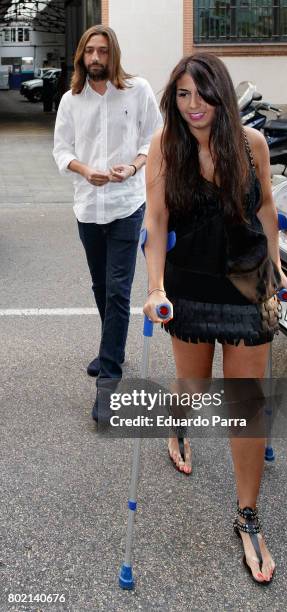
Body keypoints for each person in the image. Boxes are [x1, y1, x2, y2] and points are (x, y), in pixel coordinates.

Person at [143, 53, 287, 584]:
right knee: (194, 384)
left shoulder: (251, 147)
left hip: (250, 284)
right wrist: (156, 287)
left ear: (222, 95)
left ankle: (248, 515)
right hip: (190, 284)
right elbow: (156, 223)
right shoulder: (165, 147)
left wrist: (276, 271)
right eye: (182, 95)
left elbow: (267, 211)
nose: (192, 105)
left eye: (201, 94)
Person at [53, 25, 162, 420]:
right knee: (101, 284)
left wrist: (133, 167)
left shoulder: (138, 90)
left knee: (118, 289)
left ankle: (109, 383)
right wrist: (85, 170)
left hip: (126, 204)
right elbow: (61, 149)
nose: (95, 59)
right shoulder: (71, 100)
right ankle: (110, 348)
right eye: (89, 52)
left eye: (102, 51)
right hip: (88, 206)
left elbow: (155, 137)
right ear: (81, 57)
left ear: (113, 54)